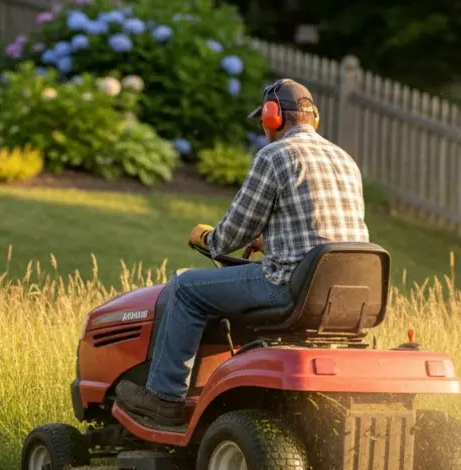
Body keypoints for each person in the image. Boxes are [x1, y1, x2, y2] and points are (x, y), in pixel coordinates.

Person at [114, 78, 371, 426]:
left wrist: (208, 238)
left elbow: (231, 234)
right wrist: (269, 240)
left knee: (186, 288)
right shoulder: (345, 160)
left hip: (288, 287)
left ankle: (164, 397)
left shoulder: (275, 156)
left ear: (272, 117)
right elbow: (321, 232)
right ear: (315, 118)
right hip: (343, 295)